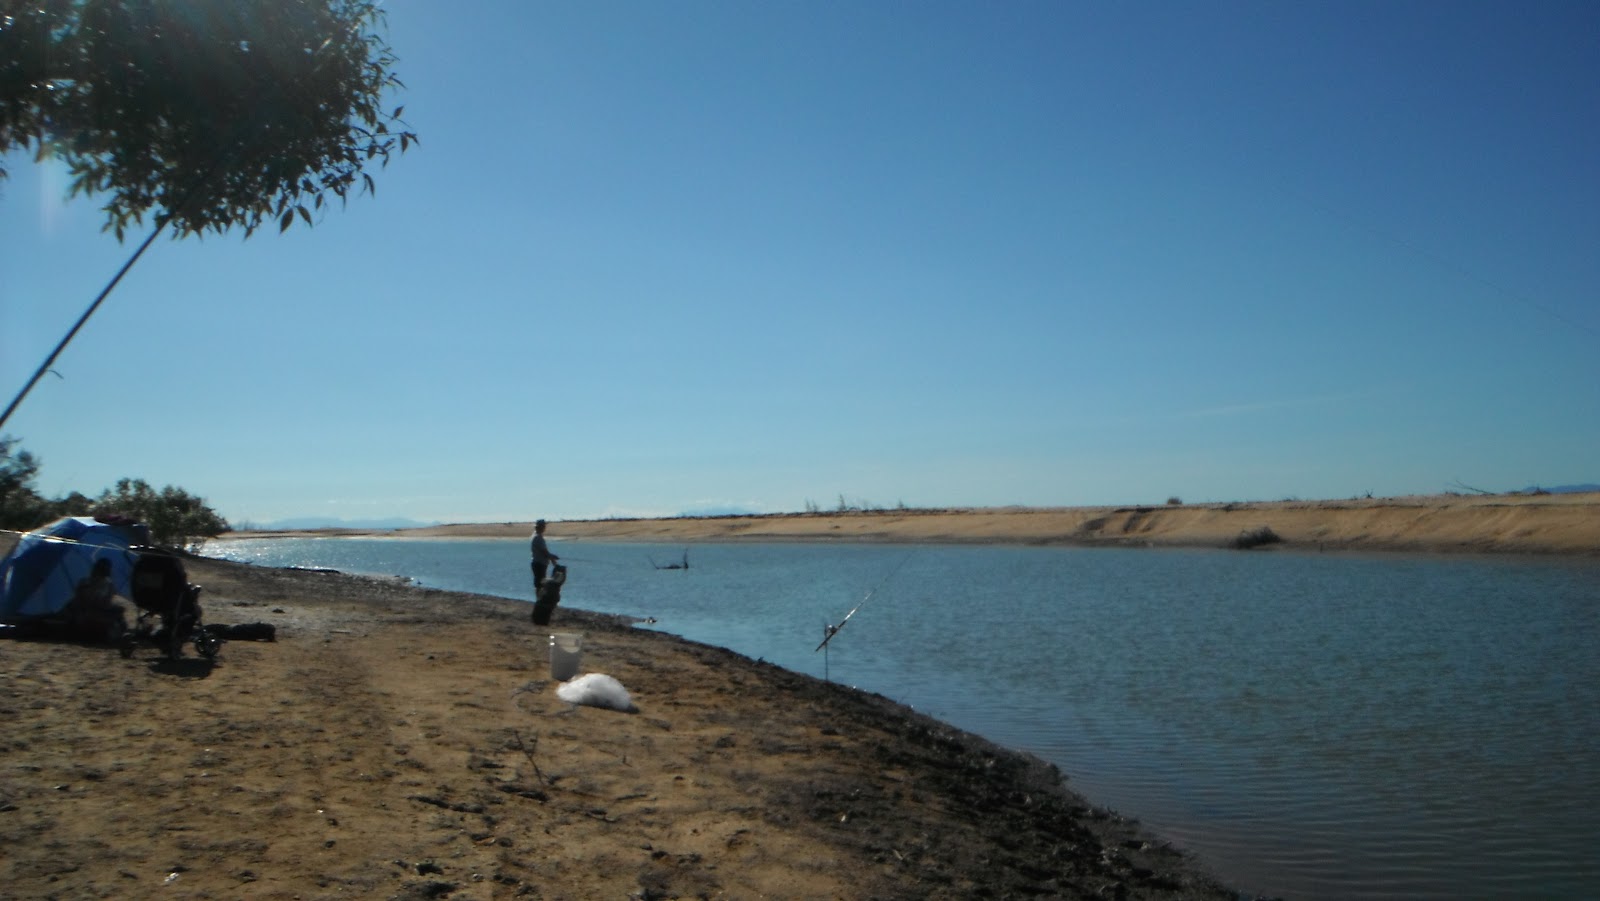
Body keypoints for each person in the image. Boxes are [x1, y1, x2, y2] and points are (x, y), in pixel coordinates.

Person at [68, 558, 128, 644]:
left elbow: (78, 600)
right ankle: (122, 634)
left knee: (117, 612)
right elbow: (104, 604)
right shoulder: (108, 585)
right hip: (94, 615)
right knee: (119, 613)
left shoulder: (83, 582)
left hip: (82, 616)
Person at [530, 519, 559, 591]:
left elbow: (545, 553)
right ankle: (539, 599)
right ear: (540, 527)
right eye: (544, 526)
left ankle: (539, 599)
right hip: (539, 564)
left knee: (540, 583)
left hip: (538, 563)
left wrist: (552, 559)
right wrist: (553, 558)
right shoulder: (538, 538)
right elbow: (545, 552)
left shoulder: (537, 536)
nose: (545, 527)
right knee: (540, 583)